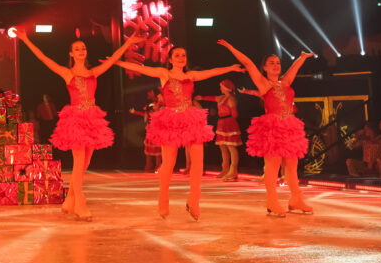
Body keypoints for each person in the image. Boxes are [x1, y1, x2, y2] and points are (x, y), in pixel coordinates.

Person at [16, 30, 141, 220]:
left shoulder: (93, 72)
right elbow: (43, 58)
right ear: (71, 54)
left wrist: (128, 42)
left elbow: (114, 58)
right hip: (75, 119)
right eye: (77, 48)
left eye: (83, 48)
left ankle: (70, 199)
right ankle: (80, 203)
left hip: (92, 118)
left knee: (86, 163)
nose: (81, 50)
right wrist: (25, 39)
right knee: (78, 162)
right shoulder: (68, 73)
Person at [115, 47, 241, 220]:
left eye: (183, 55)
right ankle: (163, 201)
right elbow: (142, 68)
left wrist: (230, 68)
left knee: (198, 161)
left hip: (190, 119)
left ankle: (194, 200)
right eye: (177, 55)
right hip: (170, 119)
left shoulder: (191, 76)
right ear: (170, 59)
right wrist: (117, 61)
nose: (181, 58)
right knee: (168, 163)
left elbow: (211, 72)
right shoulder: (164, 73)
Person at [218, 40, 314, 216]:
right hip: (273, 126)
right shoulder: (263, 83)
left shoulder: (285, 81)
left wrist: (302, 58)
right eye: (271, 63)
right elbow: (248, 63)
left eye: (277, 63)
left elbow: (295, 67)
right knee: (273, 165)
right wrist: (232, 48)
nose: (276, 66)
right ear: (264, 67)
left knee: (292, 166)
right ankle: (272, 201)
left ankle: (296, 199)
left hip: (290, 126)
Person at [197, 80, 243, 181]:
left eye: (221, 86)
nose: (220, 88)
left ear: (226, 88)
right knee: (223, 146)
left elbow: (235, 115)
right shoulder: (221, 97)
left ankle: (233, 170)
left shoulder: (231, 99)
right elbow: (212, 98)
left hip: (229, 123)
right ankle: (225, 168)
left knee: (231, 146)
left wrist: (229, 111)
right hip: (222, 123)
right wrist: (201, 98)